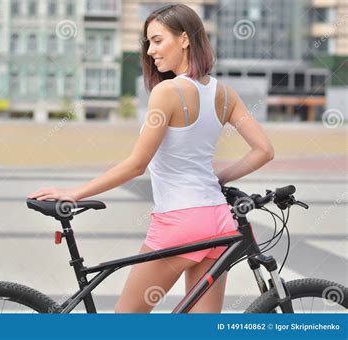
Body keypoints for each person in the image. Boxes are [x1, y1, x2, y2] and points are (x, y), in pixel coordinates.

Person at [28, 4, 274, 313]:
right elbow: (264, 150)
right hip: (217, 222)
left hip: (179, 221)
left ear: (184, 39)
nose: (150, 50)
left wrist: (73, 193)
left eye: (157, 40)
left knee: (125, 321)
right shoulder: (225, 94)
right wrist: (218, 179)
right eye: (148, 42)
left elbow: (136, 164)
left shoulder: (168, 92)